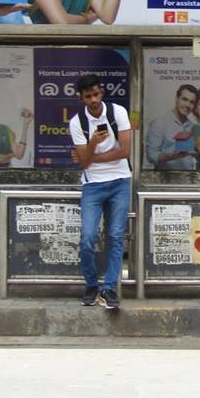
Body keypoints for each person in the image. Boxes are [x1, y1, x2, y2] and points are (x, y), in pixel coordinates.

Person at [69, 74, 133, 310]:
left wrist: (90, 155)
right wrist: (93, 142)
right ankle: (91, 285)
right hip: (92, 185)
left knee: (115, 237)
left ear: (102, 92)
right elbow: (84, 165)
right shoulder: (78, 122)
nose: (93, 100)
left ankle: (109, 288)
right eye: (88, 96)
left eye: (96, 94)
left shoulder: (118, 112)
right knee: (87, 237)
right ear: (82, 98)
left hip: (120, 181)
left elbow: (125, 151)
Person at [145, 83, 199, 171]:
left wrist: (198, 153)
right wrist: (170, 156)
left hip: (189, 179)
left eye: (192, 102)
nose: (187, 105)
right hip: (165, 180)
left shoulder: (193, 127)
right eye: (184, 99)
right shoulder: (159, 123)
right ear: (177, 99)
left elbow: (195, 154)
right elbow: (151, 155)